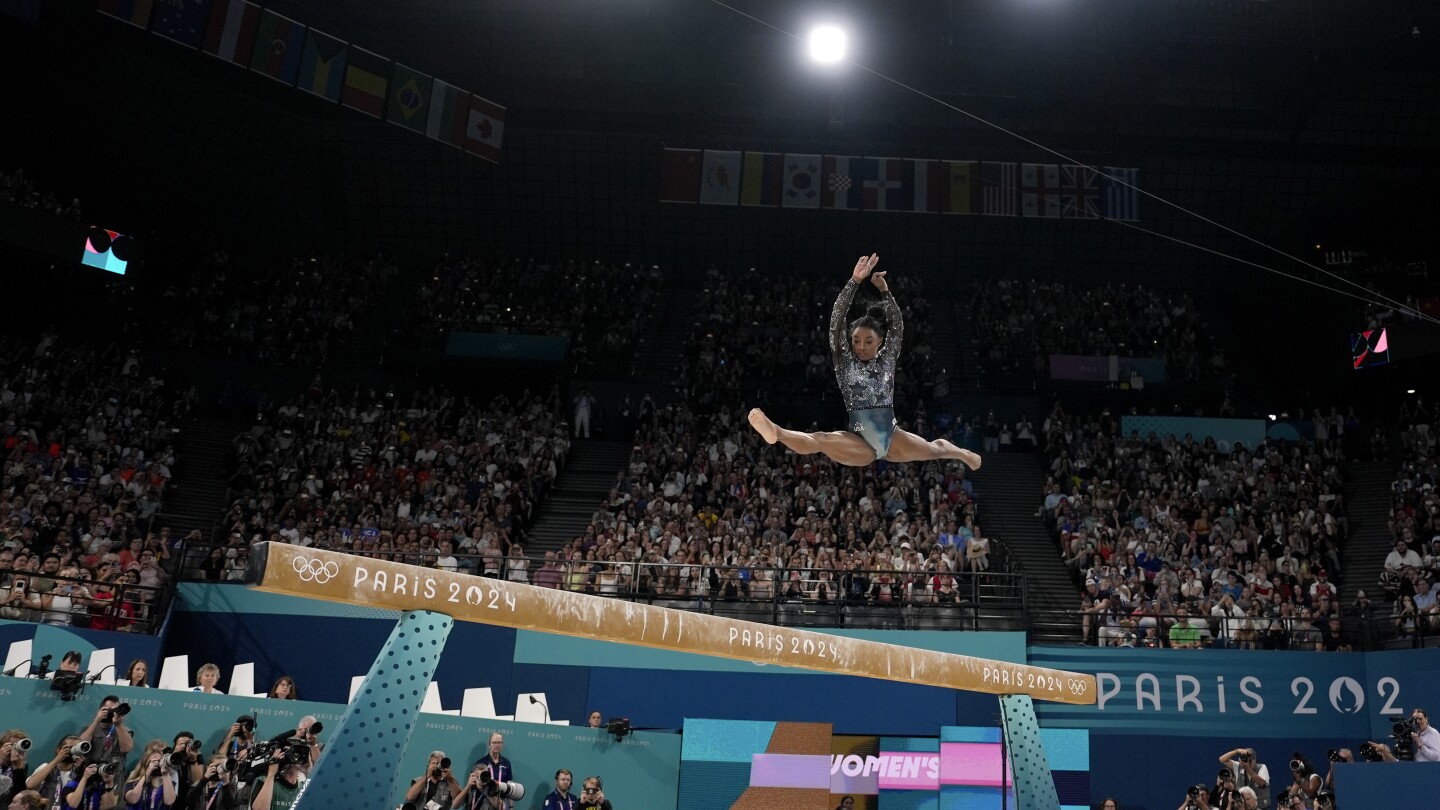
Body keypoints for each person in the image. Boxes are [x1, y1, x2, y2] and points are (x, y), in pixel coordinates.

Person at [747, 254, 982, 471]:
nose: (861, 346)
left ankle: (961, 453)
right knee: (822, 439)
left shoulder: (888, 358)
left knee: (935, 450)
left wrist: (885, 292)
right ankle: (775, 432)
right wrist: (854, 281)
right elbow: (836, 322)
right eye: (856, 341)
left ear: (880, 342)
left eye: (868, 341)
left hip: (892, 437)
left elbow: (897, 326)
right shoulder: (845, 362)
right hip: (858, 441)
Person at [77, 698, 134, 772]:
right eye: (108, 710)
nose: (111, 713)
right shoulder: (88, 728)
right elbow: (80, 747)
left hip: (113, 773)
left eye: (114, 710)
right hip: (89, 772)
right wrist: (96, 721)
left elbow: (126, 749)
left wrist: (118, 725)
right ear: (99, 711)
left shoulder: (124, 731)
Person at [247, 746, 303, 810]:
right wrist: (271, 774)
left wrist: (308, 770)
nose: (297, 758)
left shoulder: (303, 786)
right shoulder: (264, 781)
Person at [470, 734, 512, 810]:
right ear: (489, 744)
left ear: (502, 745)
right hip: (483, 803)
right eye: (494, 742)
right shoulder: (481, 763)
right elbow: (474, 786)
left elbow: (509, 786)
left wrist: (511, 807)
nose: (497, 745)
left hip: (500, 804)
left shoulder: (507, 763)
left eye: (499, 743)